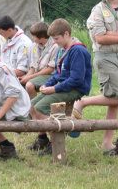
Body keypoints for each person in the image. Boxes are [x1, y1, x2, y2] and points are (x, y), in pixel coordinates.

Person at [72, 0, 118, 155]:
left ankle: (107, 143)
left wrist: (115, 36)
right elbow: (100, 38)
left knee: (115, 101)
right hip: (104, 57)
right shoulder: (97, 10)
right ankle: (83, 102)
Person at [29, 18, 92, 155]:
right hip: (64, 86)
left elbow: (76, 80)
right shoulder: (61, 49)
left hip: (75, 89)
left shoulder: (78, 51)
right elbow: (58, 74)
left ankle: (57, 140)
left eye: (56, 38)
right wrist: (47, 84)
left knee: (40, 108)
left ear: (66, 34)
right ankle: (43, 139)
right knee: (32, 106)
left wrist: (54, 89)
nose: (54, 42)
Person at [19, 21, 59, 98]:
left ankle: (34, 107)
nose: (32, 38)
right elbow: (33, 67)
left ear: (42, 37)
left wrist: (30, 77)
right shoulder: (34, 46)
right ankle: (25, 107)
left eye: (34, 36)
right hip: (37, 75)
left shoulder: (55, 46)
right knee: (20, 83)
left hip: (50, 75)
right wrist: (26, 77)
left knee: (29, 85)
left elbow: (50, 69)